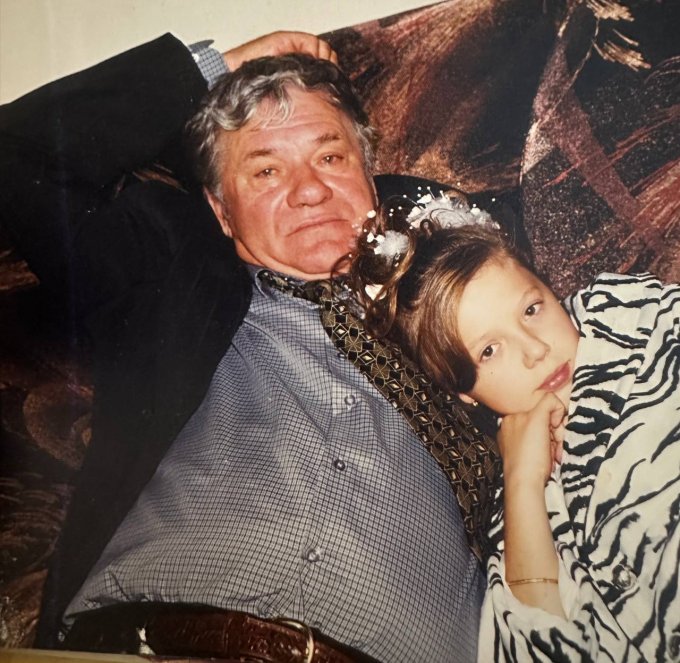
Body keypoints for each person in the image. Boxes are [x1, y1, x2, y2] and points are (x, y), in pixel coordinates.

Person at [0, 31, 496, 662]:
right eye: (265, 170)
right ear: (221, 212)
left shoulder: (474, 312)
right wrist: (212, 68)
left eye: (331, 157)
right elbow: (15, 153)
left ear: (370, 180)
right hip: (158, 643)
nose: (310, 190)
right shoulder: (167, 282)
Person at [349, 193, 680, 662]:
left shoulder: (646, 325)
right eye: (489, 351)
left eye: (531, 309)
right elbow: (543, 650)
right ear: (464, 392)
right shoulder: (523, 519)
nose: (534, 350)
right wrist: (524, 485)